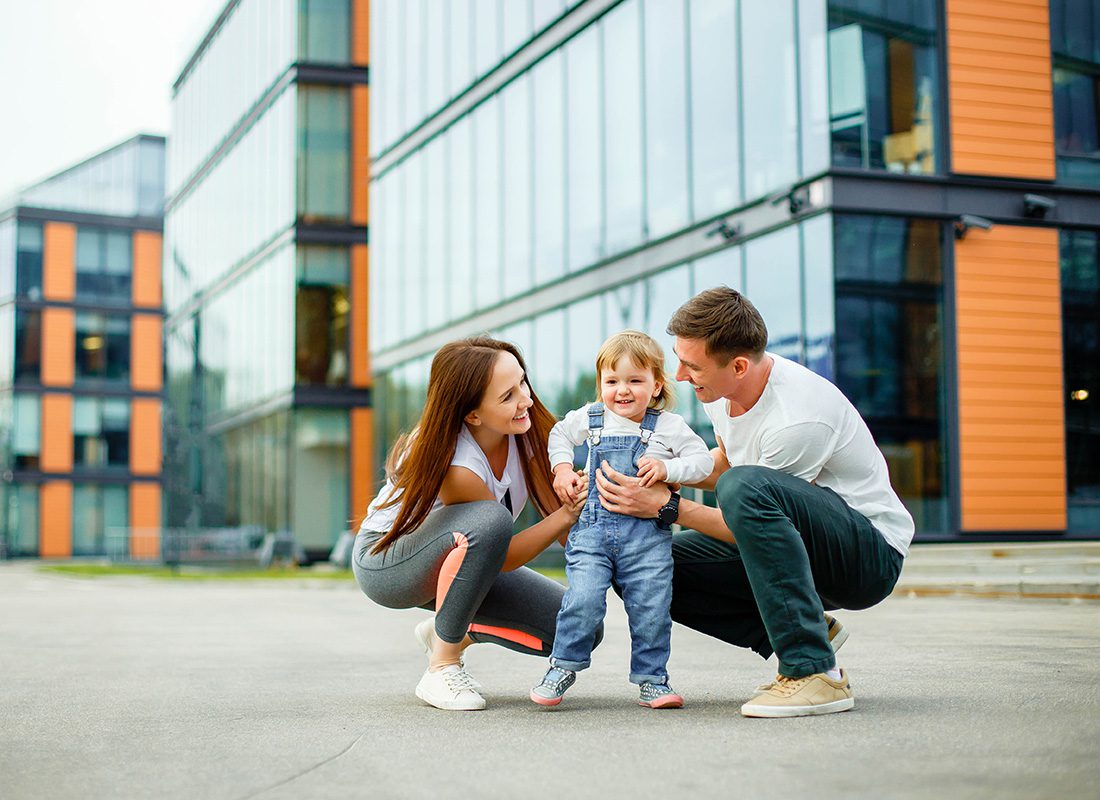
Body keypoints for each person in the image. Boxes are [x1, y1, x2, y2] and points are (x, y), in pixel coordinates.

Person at [594, 288, 913, 718]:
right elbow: (726, 463)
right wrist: (657, 473)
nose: (683, 377)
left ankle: (815, 673)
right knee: (641, 566)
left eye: (692, 366)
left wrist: (666, 507)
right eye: (680, 360)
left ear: (738, 365)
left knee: (744, 489)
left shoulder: (797, 420)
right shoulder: (724, 393)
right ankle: (810, 632)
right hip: (798, 541)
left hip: (866, 555)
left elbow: (748, 510)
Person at [352, 336, 590, 711]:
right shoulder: (457, 464)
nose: (525, 399)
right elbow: (502, 552)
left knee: (579, 626)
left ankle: (446, 629)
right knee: (490, 519)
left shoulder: (529, 433)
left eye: (523, 383)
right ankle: (441, 666)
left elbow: (564, 532)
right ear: (472, 414)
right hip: (387, 562)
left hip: (464, 555)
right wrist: (567, 514)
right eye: (507, 395)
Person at [529, 331, 712, 709]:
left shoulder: (668, 427)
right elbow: (559, 435)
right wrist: (562, 470)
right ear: (601, 384)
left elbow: (702, 461)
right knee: (583, 600)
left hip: (646, 539)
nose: (622, 391)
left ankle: (652, 679)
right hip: (592, 534)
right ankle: (562, 665)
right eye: (611, 381)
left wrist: (667, 466)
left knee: (652, 608)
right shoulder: (592, 418)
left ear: (656, 384)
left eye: (634, 380)